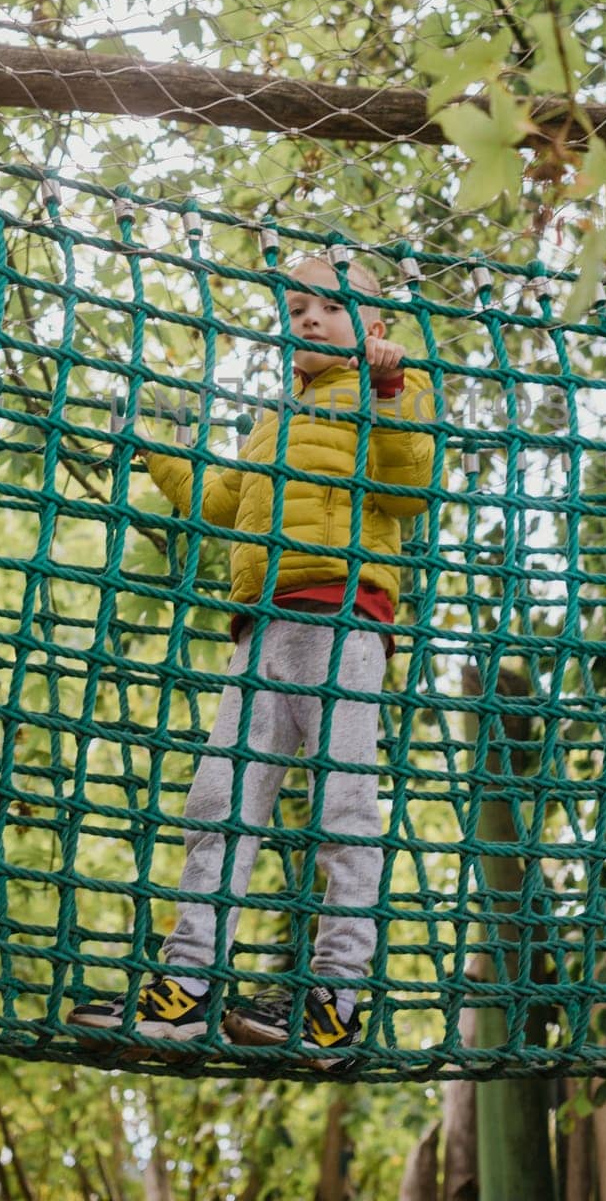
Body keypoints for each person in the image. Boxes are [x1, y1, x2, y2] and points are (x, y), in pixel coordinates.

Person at [67, 254, 436, 1060]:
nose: (307, 319)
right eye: (297, 307)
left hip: (344, 619)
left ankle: (336, 998)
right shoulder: (272, 421)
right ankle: (187, 987)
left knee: (343, 809)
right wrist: (162, 456)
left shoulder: (395, 393)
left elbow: (409, 489)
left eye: (329, 308)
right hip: (260, 626)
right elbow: (226, 504)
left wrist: (389, 390)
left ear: (373, 328)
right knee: (221, 800)